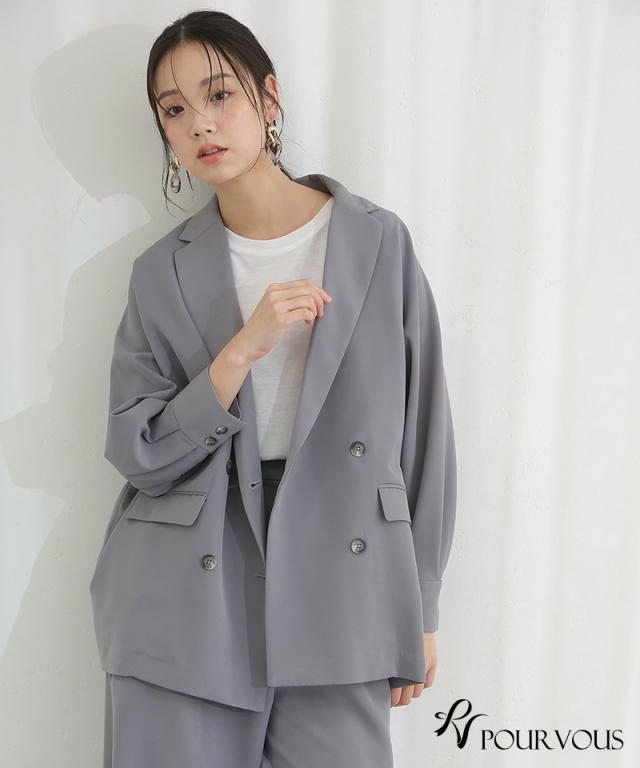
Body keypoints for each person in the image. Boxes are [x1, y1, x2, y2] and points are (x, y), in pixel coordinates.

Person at [89, 9, 457, 768]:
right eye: (174, 108)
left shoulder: (375, 241)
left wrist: (419, 601)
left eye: (219, 94)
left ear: (269, 96)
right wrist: (240, 352)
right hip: (189, 594)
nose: (200, 122)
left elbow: (425, 432)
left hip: (342, 577)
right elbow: (138, 450)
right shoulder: (161, 272)